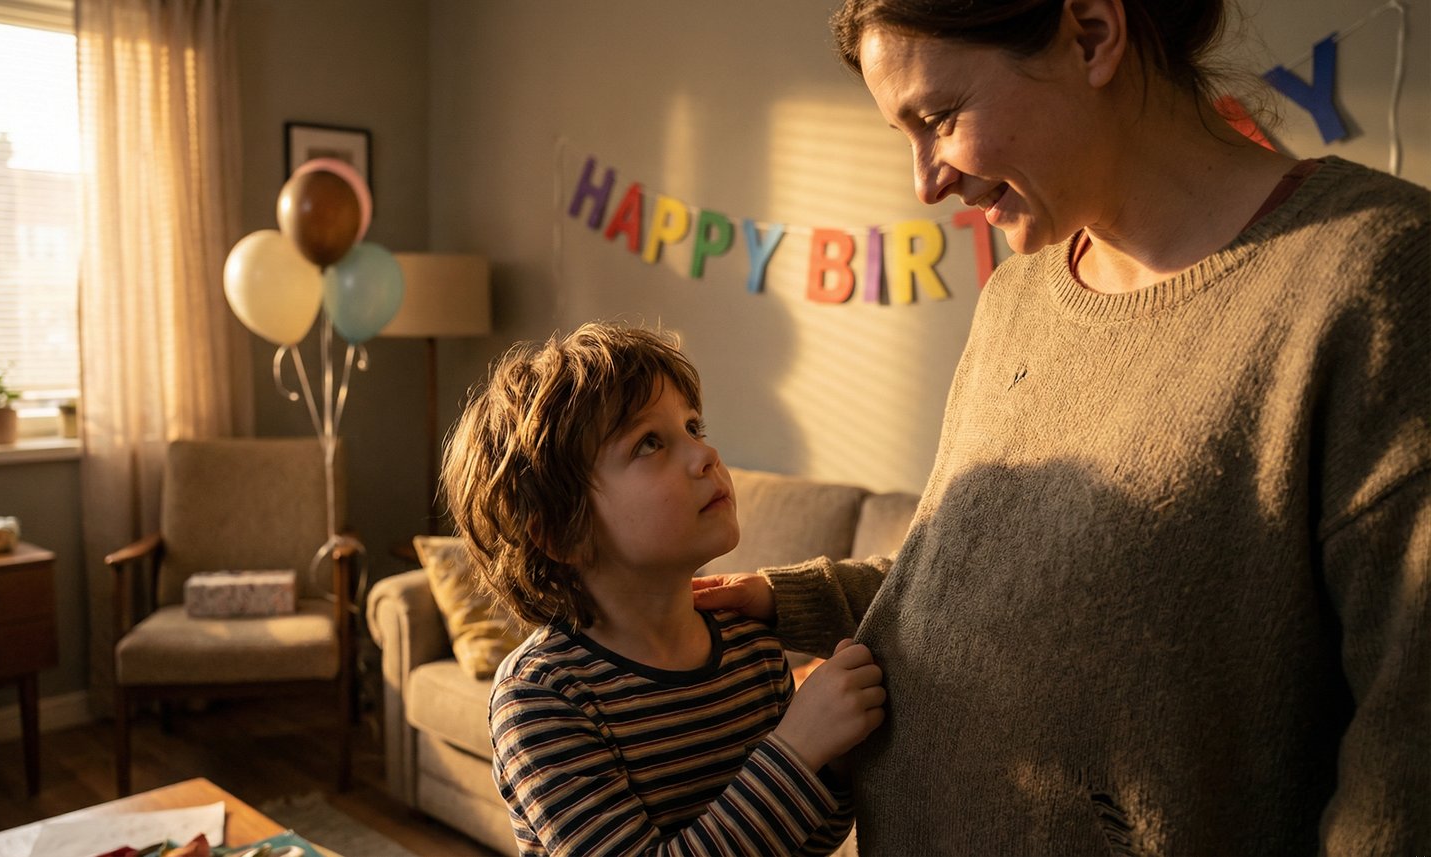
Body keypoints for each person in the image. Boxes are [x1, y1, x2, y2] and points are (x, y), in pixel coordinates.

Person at [694, 0, 1429, 853]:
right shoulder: (1021, 295)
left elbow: (1404, 778)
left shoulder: (1377, 284)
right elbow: (989, 575)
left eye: (938, 118)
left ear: (1091, 34)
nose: (926, 182)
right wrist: (793, 602)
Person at [442, 321, 886, 856]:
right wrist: (796, 750)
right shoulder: (542, 696)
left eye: (694, 427)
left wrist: (832, 759)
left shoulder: (751, 645)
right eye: (649, 443)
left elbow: (805, 840)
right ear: (563, 532)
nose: (706, 455)